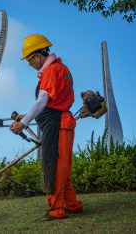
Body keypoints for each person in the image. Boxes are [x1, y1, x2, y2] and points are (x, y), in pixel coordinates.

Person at [10, 34, 83, 221]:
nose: (29, 64)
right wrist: (25, 116)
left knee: (54, 167)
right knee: (63, 168)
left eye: (29, 59)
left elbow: (43, 101)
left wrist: (23, 123)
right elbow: (51, 101)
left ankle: (56, 210)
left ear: (38, 55)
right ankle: (72, 205)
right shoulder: (61, 68)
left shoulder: (50, 71)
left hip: (57, 125)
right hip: (64, 122)